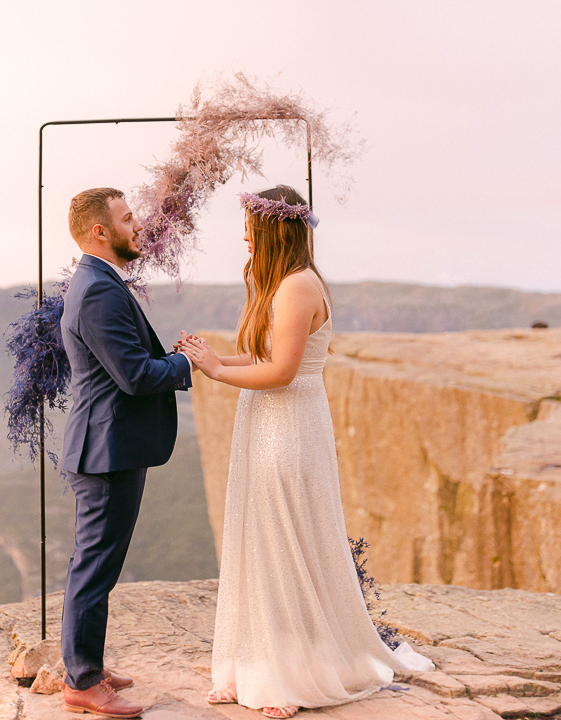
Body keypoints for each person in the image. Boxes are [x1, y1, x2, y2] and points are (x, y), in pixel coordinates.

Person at [178, 186, 435, 719]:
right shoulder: (275, 282)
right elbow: (259, 353)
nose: (243, 235)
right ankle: (252, 663)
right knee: (257, 535)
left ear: (274, 230)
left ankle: (290, 677)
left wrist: (216, 372)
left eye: (250, 225)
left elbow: (281, 371)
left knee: (284, 535)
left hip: (290, 423)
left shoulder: (298, 287)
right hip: (264, 418)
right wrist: (213, 356)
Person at [59, 187, 194, 718]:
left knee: (100, 562)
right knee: (94, 565)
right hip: (105, 451)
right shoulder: (98, 290)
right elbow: (135, 375)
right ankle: (82, 681)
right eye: (126, 217)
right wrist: (186, 365)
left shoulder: (99, 282)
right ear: (100, 231)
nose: (137, 225)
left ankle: (86, 662)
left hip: (108, 446)